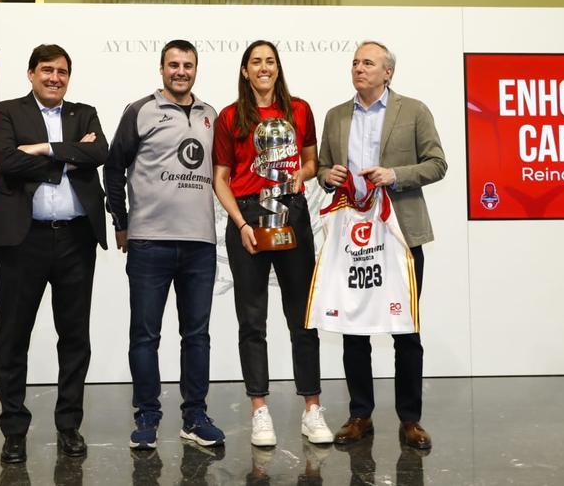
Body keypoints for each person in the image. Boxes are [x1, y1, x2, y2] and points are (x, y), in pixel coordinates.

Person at [0, 44, 109, 463]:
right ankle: (14, 430)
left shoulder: (84, 113)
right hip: (23, 240)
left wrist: (39, 148)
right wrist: (66, 154)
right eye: (47, 70)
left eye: (63, 72)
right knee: (14, 336)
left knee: (74, 338)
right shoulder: (8, 111)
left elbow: (99, 153)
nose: (55, 78)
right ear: (31, 73)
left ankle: (69, 426)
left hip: (75, 240)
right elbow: (6, 162)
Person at [317, 41, 447, 450]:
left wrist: (395, 174)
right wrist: (327, 175)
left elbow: (437, 163)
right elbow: (320, 166)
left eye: (368, 63)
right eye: (355, 62)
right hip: (351, 236)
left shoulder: (414, 111)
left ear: (387, 72)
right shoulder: (336, 115)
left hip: (400, 235)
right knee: (354, 329)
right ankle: (360, 415)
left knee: (405, 330)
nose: (359, 68)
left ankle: (410, 419)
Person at [104, 40, 225, 450]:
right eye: (173, 64)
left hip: (200, 245)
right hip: (149, 244)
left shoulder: (212, 116)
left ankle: (194, 416)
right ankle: (147, 417)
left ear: (196, 69)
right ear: (161, 69)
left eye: (188, 65)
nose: (181, 71)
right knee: (145, 336)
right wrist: (121, 222)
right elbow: (114, 167)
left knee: (197, 336)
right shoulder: (140, 111)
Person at [212, 40, 334, 447]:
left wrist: (304, 174)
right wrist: (241, 222)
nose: (263, 68)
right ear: (245, 71)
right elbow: (220, 178)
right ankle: (259, 410)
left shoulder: (300, 110)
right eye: (255, 62)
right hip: (248, 220)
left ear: (278, 68)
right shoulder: (230, 117)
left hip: (291, 214)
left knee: (303, 316)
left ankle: (312, 409)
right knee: (252, 320)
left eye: (270, 61)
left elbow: (312, 160)